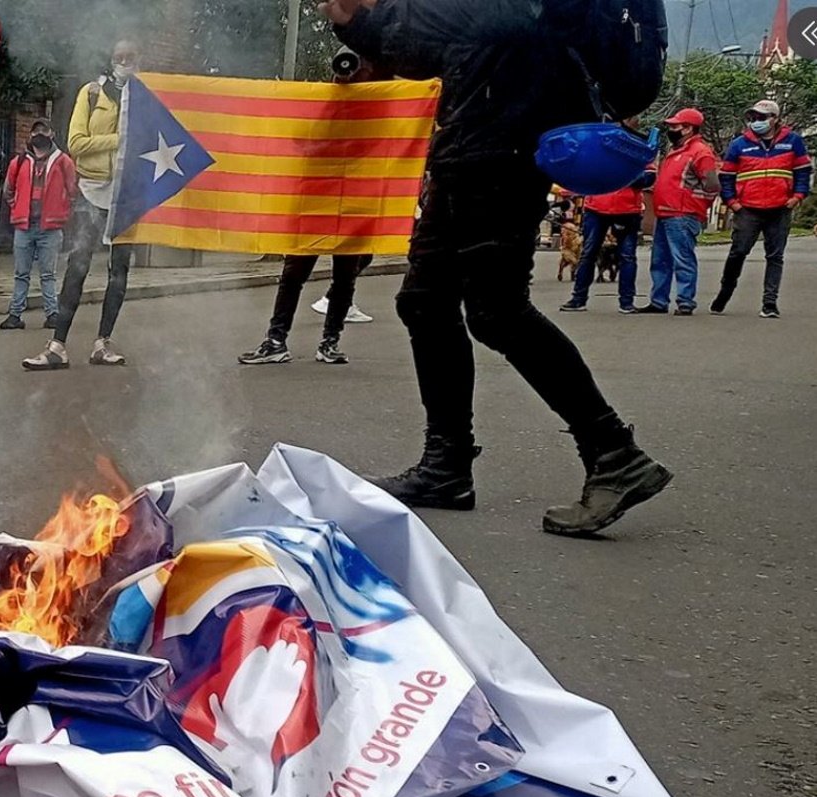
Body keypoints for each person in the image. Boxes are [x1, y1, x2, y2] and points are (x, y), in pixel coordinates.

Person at [320, 0, 672, 537]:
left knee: (497, 310)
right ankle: (446, 466)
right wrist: (358, 22)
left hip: (505, 148)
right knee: (425, 302)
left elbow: (481, 19)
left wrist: (376, 14)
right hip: (471, 146)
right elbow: (432, 50)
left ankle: (613, 453)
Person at [22, 39, 138, 371]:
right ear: (110, 59)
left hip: (127, 196)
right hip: (92, 192)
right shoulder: (91, 94)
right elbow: (76, 143)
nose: (125, 62)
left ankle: (103, 342)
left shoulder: (144, 98)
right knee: (78, 267)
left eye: (131, 57)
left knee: (119, 272)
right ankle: (57, 345)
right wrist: (120, 140)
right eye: (120, 56)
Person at [711, 99, 811, 319]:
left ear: (775, 119)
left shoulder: (793, 142)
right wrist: (732, 202)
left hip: (780, 207)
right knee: (738, 252)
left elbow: (803, 172)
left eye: (762, 118)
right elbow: (726, 177)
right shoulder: (739, 144)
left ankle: (769, 303)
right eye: (753, 118)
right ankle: (725, 293)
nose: (756, 121)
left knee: (775, 256)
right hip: (748, 209)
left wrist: (797, 196)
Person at [559, 127, 652, 314]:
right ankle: (578, 299)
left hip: (627, 210)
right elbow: (585, 171)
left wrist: (619, 173)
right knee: (588, 253)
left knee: (627, 256)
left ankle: (626, 302)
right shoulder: (596, 144)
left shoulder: (639, 146)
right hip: (596, 207)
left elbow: (648, 177)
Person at [637, 108, 717, 316]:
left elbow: (712, 185)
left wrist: (695, 205)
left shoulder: (701, 152)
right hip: (665, 214)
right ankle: (658, 301)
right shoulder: (674, 151)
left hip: (683, 215)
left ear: (689, 128)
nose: (671, 129)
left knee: (683, 259)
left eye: (675, 126)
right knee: (660, 261)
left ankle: (685, 302)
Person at [0, 119, 77, 331]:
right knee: (21, 273)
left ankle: (52, 315)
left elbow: (73, 192)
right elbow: (8, 190)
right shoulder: (19, 161)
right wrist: (17, 207)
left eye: (44, 130)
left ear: (52, 134)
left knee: (48, 274)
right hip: (24, 226)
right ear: (31, 135)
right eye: (36, 130)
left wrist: (61, 211)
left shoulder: (63, 161)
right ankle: (14, 316)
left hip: (50, 228)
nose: (40, 133)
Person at [237, 255, 370, 365]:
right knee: (292, 276)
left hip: (344, 227)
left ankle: (329, 341)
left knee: (344, 280)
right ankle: (276, 341)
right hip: (316, 226)